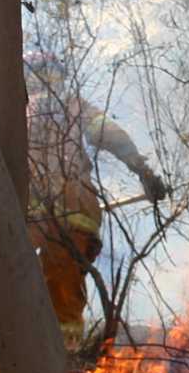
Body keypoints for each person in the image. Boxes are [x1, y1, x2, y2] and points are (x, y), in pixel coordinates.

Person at [27, 47, 168, 344]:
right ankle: (68, 365)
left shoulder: (15, 110)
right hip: (75, 212)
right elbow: (111, 135)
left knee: (15, 286)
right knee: (64, 297)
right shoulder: (73, 105)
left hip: (25, 218)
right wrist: (144, 172)